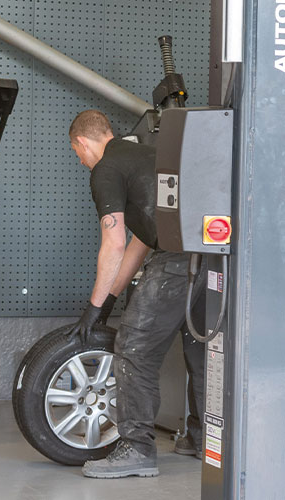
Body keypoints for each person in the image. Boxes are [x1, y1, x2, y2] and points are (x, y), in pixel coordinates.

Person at [66, 110, 206, 478]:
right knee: (201, 348)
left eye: (77, 154)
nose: (79, 162)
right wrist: (108, 300)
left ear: (83, 142)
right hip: (212, 250)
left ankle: (136, 448)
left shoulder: (106, 169)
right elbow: (140, 242)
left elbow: (113, 245)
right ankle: (203, 437)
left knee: (133, 346)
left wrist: (92, 309)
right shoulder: (144, 154)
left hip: (178, 255)